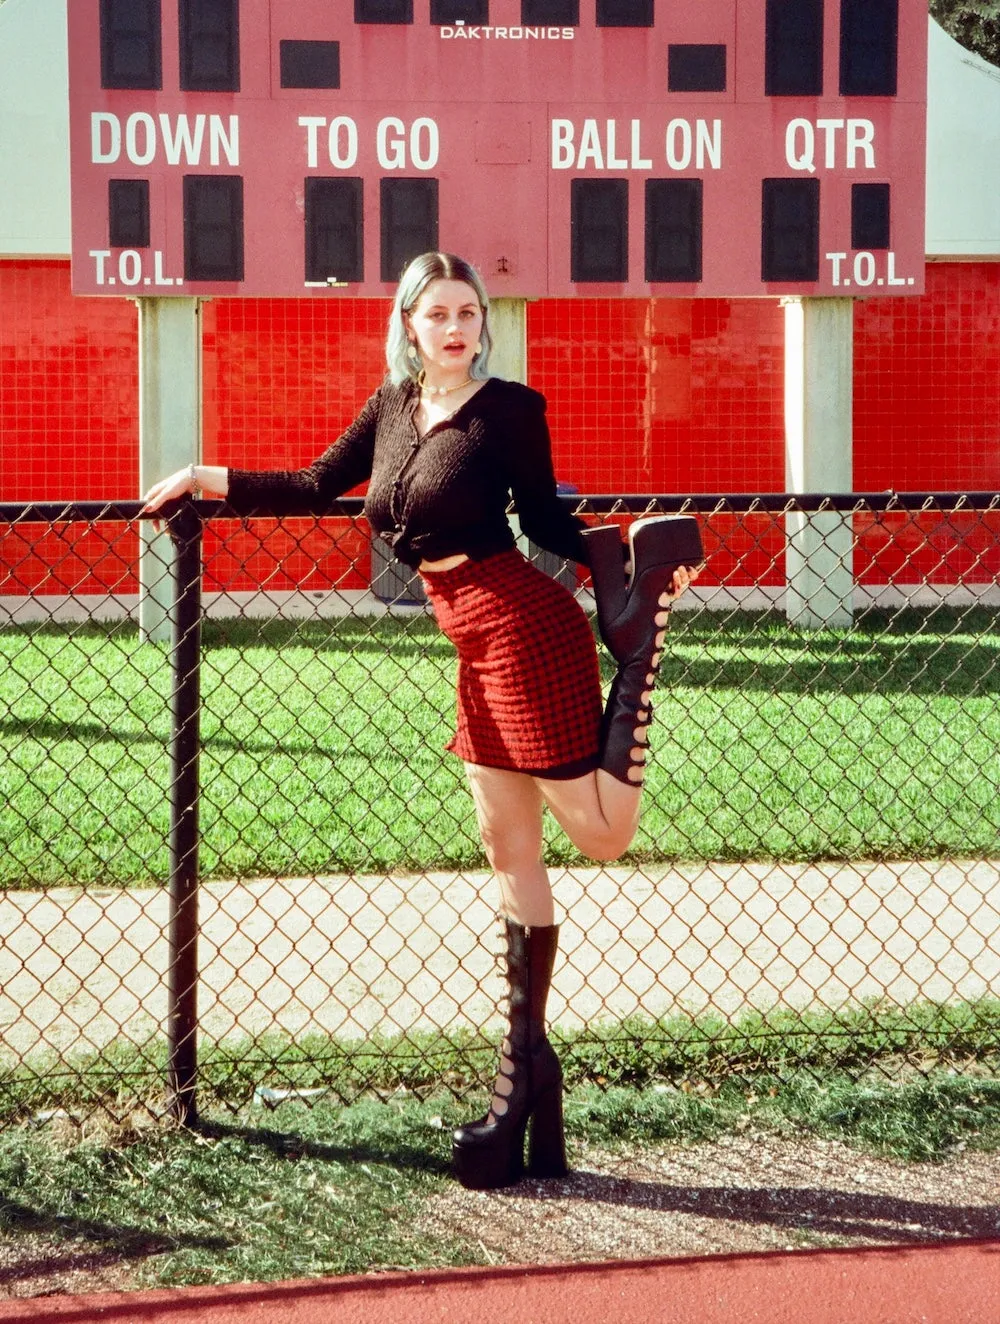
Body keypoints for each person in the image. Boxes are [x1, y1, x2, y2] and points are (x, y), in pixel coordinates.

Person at [142, 251, 702, 1191]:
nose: (456, 327)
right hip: (467, 643)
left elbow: (547, 522)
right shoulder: (395, 407)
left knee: (601, 835)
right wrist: (205, 476)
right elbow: (321, 484)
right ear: (409, 324)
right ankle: (526, 1082)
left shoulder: (511, 410)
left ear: (483, 323)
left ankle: (640, 667)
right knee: (506, 850)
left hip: (526, 628)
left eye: (468, 312)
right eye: (438, 312)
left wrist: (630, 554)